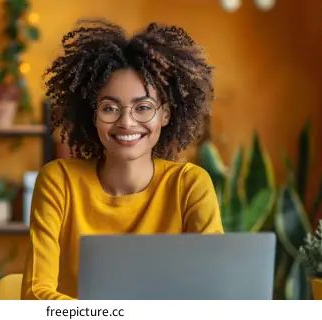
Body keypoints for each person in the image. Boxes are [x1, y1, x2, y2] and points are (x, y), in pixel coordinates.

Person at [21, 19, 223, 300]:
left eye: (143, 107)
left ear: (165, 114)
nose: (126, 122)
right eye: (110, 107)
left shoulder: (190, 185)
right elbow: (34, 294)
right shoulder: (59, 182)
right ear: (92, 115)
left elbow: (214, 290)